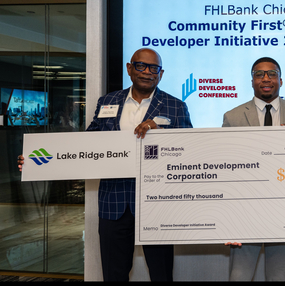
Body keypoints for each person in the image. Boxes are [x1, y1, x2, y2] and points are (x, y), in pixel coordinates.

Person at [19, 48, 192, 281]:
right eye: (141, 66)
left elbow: (190, 151)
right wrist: (35, 161)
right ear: (129, 68)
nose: (148, 72)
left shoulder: (176, 106)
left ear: (161, 74)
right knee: (114, 273)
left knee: (161, 273)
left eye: (154, 68)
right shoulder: (107, 101)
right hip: (114, 203)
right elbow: (89, 145)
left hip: (157, 203)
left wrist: (160, 134)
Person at [222, 57, 285, 281]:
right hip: (244, 211)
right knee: (239, 277)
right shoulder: (232, 117)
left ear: (281, 80)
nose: (266, 79)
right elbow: (225, 170)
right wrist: (226, 221)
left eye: (272, 74)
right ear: (251, 81)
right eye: (259, 74)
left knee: (278, 278)